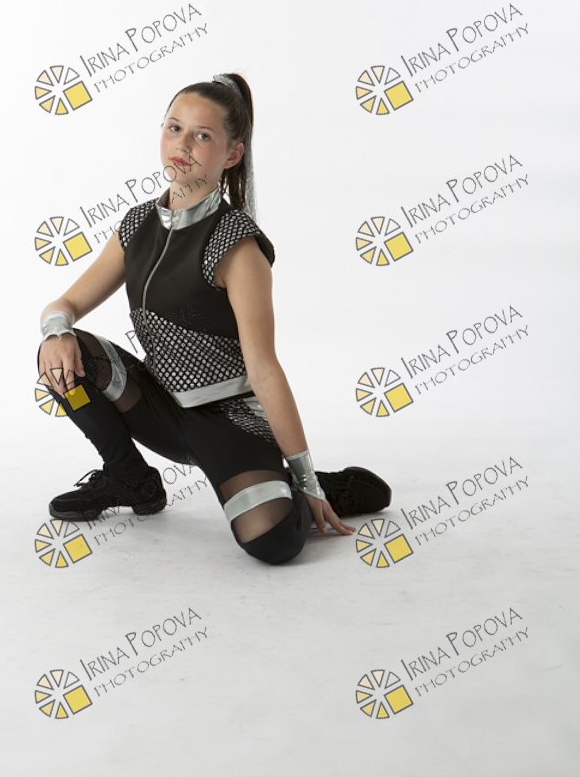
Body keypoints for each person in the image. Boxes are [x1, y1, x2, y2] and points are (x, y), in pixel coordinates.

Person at [36, 73, 391, 565]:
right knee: (62, 354)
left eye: (202, 136)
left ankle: (309, 488)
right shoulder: (137, 224)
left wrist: (306, 477)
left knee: (272, 544)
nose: (182, 145)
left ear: (231, 154)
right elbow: (65, 304)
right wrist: (55, 331)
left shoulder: (237, 245)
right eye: (174, 128)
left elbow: (264, 369)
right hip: (160, 411)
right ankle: (130, 479)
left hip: (230, 425)